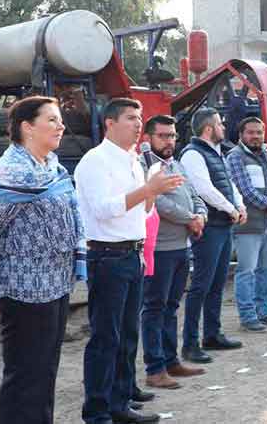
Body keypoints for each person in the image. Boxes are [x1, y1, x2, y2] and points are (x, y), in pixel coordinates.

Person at [0, 97, 84, 423]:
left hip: (56, 283)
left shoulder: (54, 169)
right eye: (52, 120)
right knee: (25, 373)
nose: (61, 126)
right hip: (23, 289)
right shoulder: (7, 174)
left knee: (45, 369)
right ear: (27, 127)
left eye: (60, 120)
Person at [77, 99, 184, 424]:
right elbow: (103, 209)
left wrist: (152, 191)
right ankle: (97, 411)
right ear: (110, 123)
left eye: (139, 118)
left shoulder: (133, 161)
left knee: (126, 335)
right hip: (107, 255)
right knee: (105, 337)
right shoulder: (95, 161)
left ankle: (120, 403)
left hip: (132, 252)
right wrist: (148, 189)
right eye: (130, 118)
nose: (138, 124)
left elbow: (143, 210)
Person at [138, 115, 207, 391]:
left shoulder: (175, 165)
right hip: (160, 249)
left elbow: (195, 194)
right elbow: (159, 204)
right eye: (163, 136)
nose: (169, 141)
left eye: (173, 136)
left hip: (181, 247)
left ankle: (171, 361)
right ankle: (154, 369)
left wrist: (200, 215)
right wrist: (190, 217)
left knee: (170, 307)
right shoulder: (145, 167)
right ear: (149, 138)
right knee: (154, 308)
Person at [180, 107, 246, 365]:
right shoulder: (193, 155)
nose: (224, 127)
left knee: (217, 284)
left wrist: (238, 205)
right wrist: (231, 208)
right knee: (201, 285)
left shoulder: (216, 153)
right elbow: (203, 189)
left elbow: (229, 185)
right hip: (209, 228)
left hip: (222, 225)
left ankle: (212, 334)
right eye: (220, 123)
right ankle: (190, 343)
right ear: (209, 128)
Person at [226, 117, 267, 333]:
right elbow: (244, 189)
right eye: (251, 132)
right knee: (247, 272)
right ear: (241, 135)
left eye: (259, 132)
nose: (255, 136)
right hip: (249, 225)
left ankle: (264, 311)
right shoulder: (235, 157)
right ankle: (248, 316)